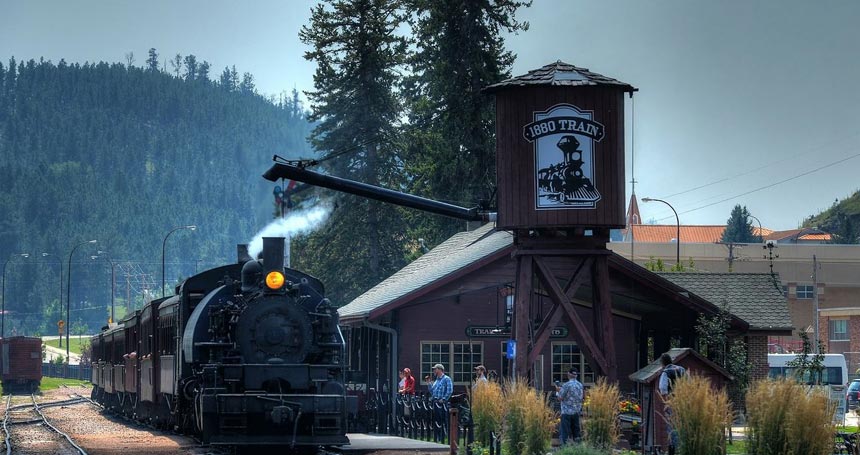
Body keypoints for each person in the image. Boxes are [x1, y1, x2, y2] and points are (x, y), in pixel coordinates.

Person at [658, 353, 687, 455]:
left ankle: (674, 450)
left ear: (662, 363)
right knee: (684, 426)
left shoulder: (665, 372)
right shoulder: (682, 369)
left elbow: (663, 389)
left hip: (673, 403)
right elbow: (689, 384)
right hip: (685, 403)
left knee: (672, 427)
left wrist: (666, 403)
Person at [555, 368, 583, 445]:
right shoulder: (580, 385)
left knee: (565, 433)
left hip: (566, 412)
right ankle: (578, 448)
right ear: (576, 375)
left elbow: (560, 398)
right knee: (576, 432)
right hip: (576, 411)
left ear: (569, 374)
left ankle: (564, 449)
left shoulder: (566, 385)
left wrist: (557, 391)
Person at [426, 363, 453, 441]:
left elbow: (449, 390)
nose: (434, 370)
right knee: (436, 420)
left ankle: (443, 436)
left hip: (442, 404)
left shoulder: (447, 379)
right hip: (435, 402)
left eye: (435, 369)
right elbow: (432, 392)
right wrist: (429, 384)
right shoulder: (436, 380)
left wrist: (444, 399)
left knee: (443, 420)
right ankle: (438, 437)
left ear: (440, 369)